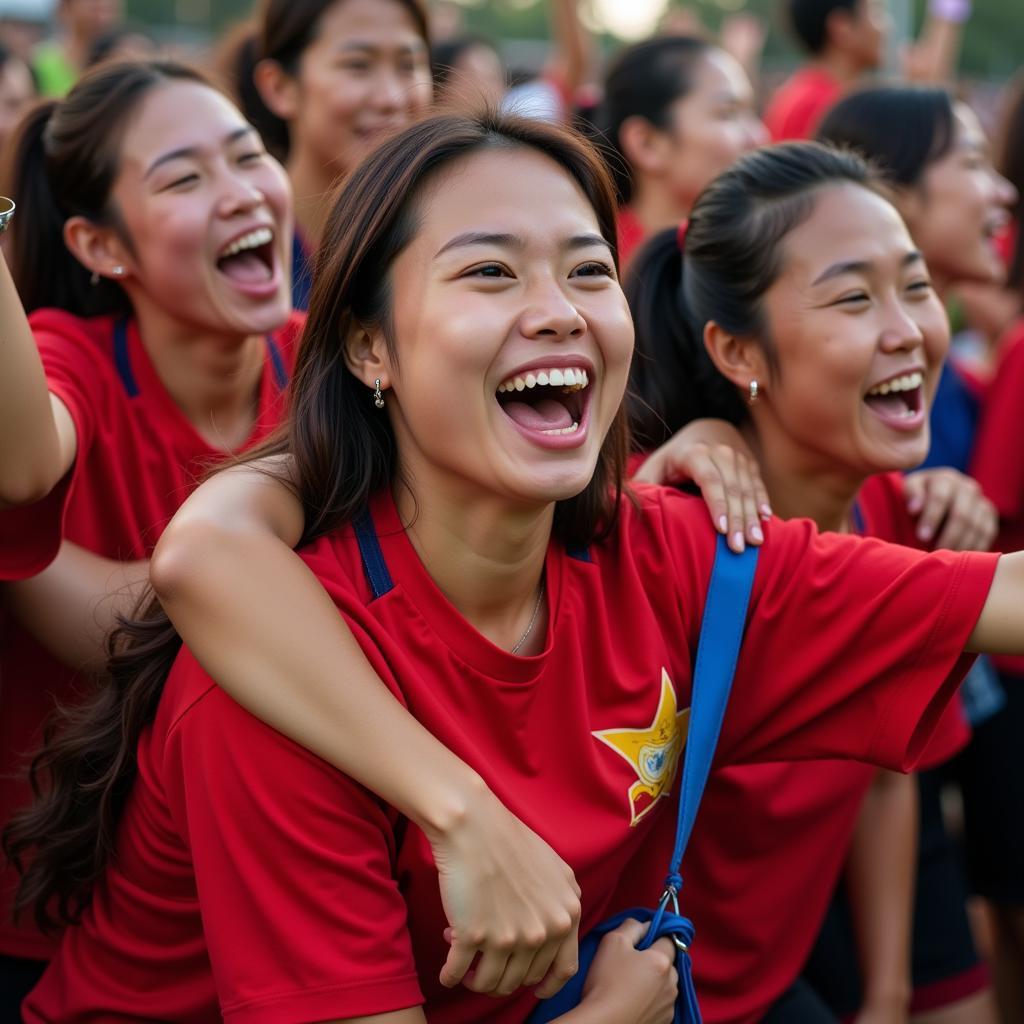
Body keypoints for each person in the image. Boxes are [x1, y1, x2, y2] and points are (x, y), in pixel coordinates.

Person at [12, 113, 1024, 1023]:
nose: (558, 312)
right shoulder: (273, 691)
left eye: (588, 271)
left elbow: (999, 597)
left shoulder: (671, 555)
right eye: (489, 272)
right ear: (371, 348)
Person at [626, 146, 998, 1020]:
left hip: (771, 988)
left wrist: (886, 995)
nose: (908, 328)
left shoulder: (898, 515)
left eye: (914, 286)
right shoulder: (671, 530)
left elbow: (882, 773)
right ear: (735, 349)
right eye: (854, 297)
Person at [813, 84, 1016, 1022]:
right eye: (969, 164)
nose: (1001, 190)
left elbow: (889, 766)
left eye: (917, 294)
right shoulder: (707, 520)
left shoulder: (905, 477)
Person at [234, 0, 433, 309]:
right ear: (280, 87)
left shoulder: (442, 242)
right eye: (358, 65)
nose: (391, 98)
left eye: (408, 65)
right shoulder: (238, 253)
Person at [596, 35, 766, 267]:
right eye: (727, 114)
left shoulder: (755, 248)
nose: (758, 137)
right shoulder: (603, 265)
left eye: (753, 112)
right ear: (647, 143)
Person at [31, 0, 121, 94]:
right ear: (66, 8)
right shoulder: (41, 61)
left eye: (109, 10)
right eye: (94, 9)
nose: (103, 18)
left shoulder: (120, 60)